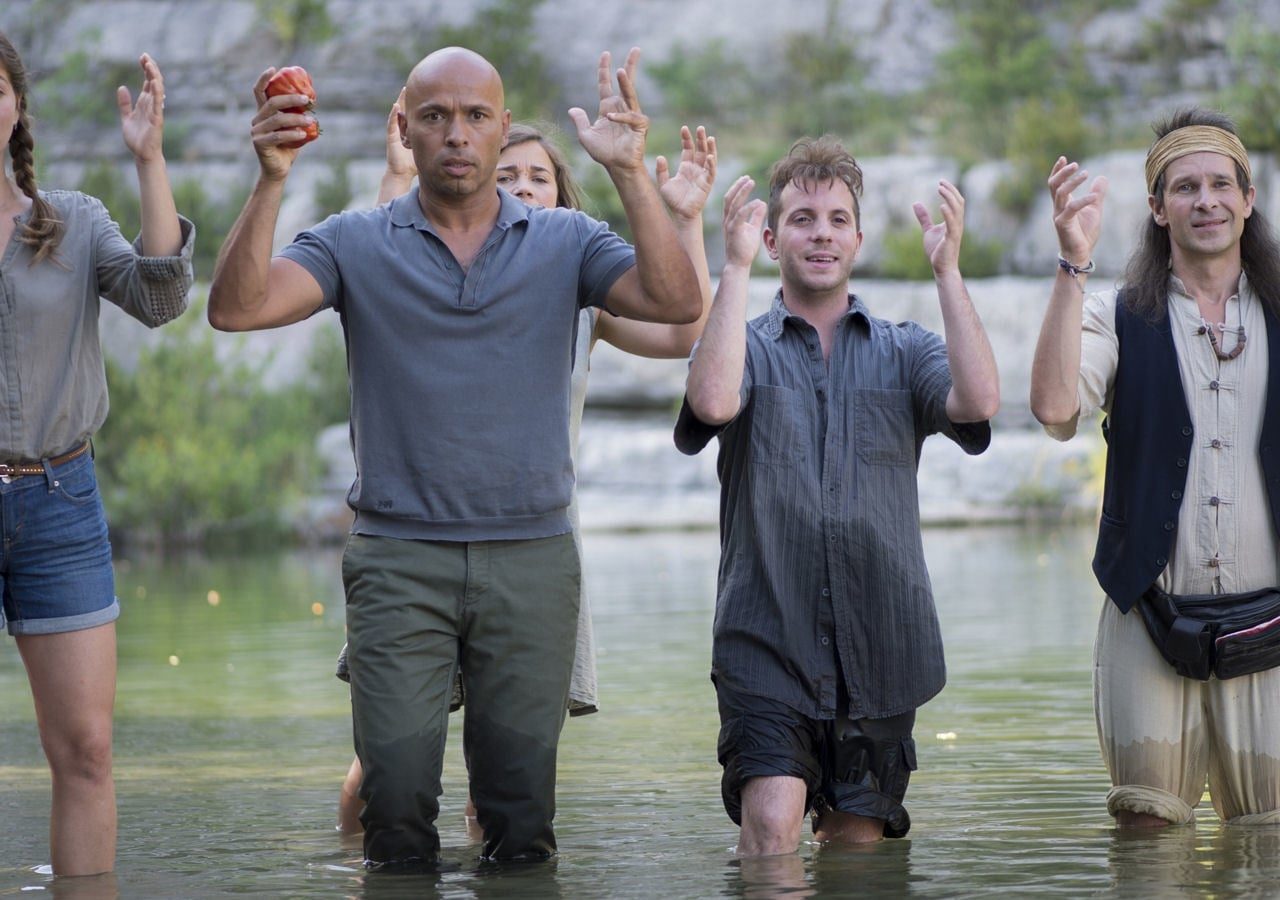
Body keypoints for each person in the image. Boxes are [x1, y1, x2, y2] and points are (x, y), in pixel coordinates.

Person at [207, 46, 700, 868]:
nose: (457, 134)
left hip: (533, 558)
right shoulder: (354, 242)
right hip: (398, 559)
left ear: (502, 128)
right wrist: (271, 178)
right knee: (394, 806)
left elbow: (678, 304)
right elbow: (235, 308)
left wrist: (629, 174)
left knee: (521, 819)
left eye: (476, 116)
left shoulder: (567, 241)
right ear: (406, 129)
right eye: (435, 117)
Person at [334, 105, 719, 837]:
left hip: (535, 546)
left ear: (560, 195)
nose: (523, 188)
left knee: (507, 770)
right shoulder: (421, 257)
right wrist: (399, 173)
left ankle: (495, 876)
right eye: (507, 174)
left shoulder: (580, 283)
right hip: (416, 539)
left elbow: (682, 328)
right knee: (382, 766)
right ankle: (363, 872)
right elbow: (383, 263)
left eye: (538, 177)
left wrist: (687, 220)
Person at [675, 136, 999, 856]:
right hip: (766, 643)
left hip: (883, 646)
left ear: (857, 238)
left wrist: (948, 272)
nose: (821, 233)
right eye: (802, 219)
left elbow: (978, 402)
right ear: (771, 239)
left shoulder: (906, 348)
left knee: (856, 856)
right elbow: (713, 401)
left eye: (837, 220)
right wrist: (732, 268)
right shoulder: (743, 344)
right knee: (770, 828)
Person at [1030, 108, 1280, 827]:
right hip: (1147, 615)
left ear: (1248, 199)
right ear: (1157, 208)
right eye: (1185, 187)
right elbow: (1054, 409)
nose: (1206, 201)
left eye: (1221, 184)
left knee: (1270, 845)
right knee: (1145, 833)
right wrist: (1072, 262)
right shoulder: (1116, 314)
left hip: (1273, 625)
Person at [0, 34, 194, 876]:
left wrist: (149, 160)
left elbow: (159, 298)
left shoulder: (72, 221)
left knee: (86, 752)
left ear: (16, 105)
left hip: (60, 503)